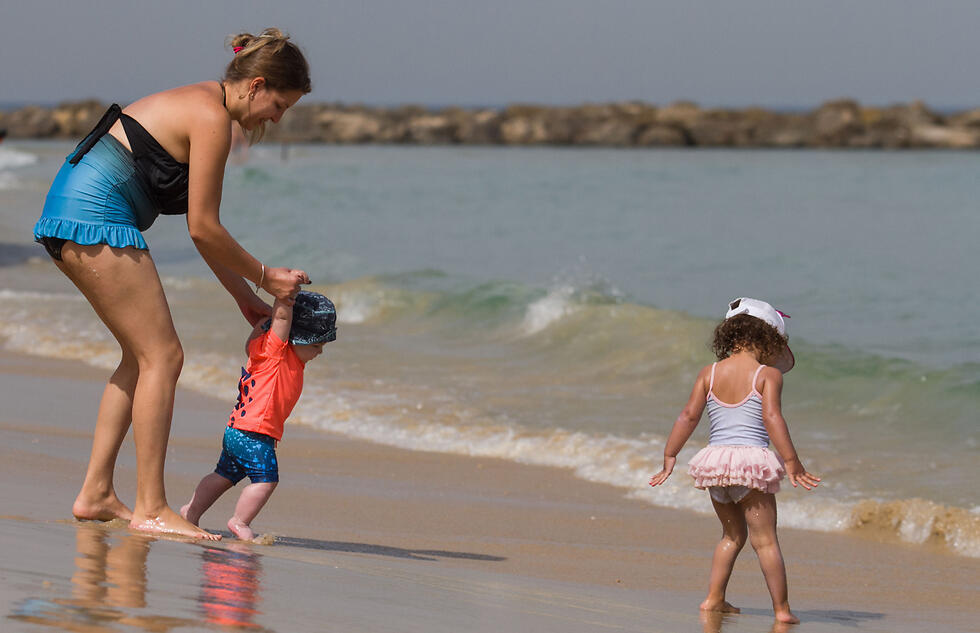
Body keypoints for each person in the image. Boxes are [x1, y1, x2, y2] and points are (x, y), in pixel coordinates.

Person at [32, 28, 312, 539]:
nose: (277, 118)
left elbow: (204, 234)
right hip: (94, 218)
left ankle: (96, 493)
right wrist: (267, 276)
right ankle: (152, 506)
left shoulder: (207, 105)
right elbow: (204, 227)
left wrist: (244, 297)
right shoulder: (211, 118)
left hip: (70, 214)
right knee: (164, 357)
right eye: (279, 104)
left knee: (140, 358)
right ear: (256, 85)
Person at [648, 298, 820, 625]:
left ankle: (714, 599)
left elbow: (688, 416)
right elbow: (772, 417)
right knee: (766, 540)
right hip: (749, 464)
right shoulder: (767, 375)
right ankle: (781, 610)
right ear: (767, 340)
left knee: (731, 536)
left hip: (715, 464)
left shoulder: (709, 373)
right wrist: (792, 461)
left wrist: (670, 455)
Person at [181, 291, 336, 541]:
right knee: (266, 479)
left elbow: (258, 334)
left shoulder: (262, 352)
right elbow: (283, 320)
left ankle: (191, 510)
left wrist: (263, 323)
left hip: (236, 430)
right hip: (254, 433)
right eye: (316, 345)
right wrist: (286, 296)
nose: (320, 351)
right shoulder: (276, 354)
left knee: (223, 475)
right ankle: (239, 521)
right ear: (293, 338)